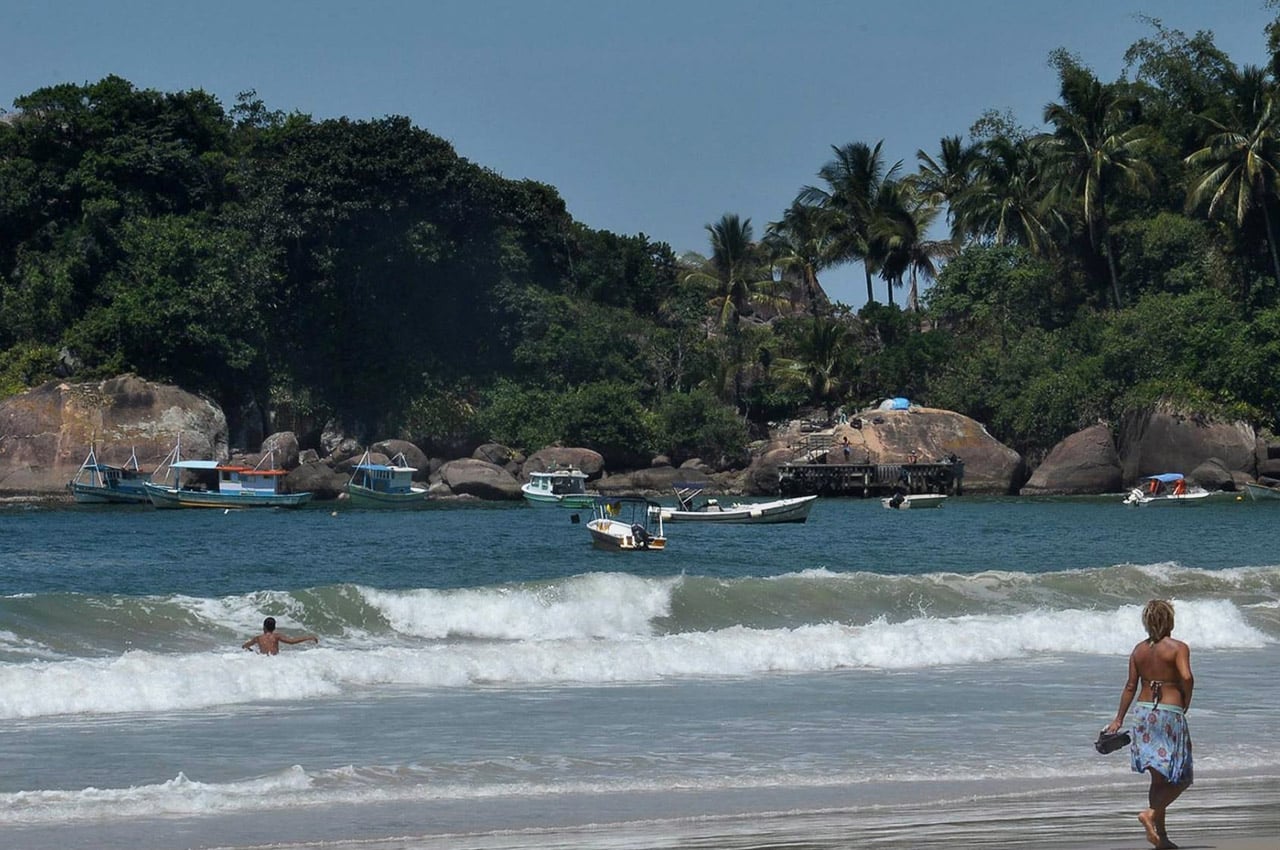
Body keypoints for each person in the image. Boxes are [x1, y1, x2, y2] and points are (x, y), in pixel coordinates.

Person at [1103, 599, 1194, 849]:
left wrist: (1118, 719)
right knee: (1183, 777)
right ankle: (1151, 814)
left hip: (1143, 714)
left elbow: (1130, 686)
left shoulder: (1138, 650)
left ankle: (1161, 838)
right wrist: (1186, 699)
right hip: (1169, 714)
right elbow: (1186, 676)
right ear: (1170, 620)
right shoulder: (1178, 648)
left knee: (1158, 780)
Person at [242, 616, 318, 655]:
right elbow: (291, 642)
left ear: (264, 627)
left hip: (264, 661)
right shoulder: (276, 636)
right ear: (274, 628)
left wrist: (247, 648)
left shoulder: (258, 638)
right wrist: (308, 637)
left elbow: (246, 645)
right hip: (275, 660)